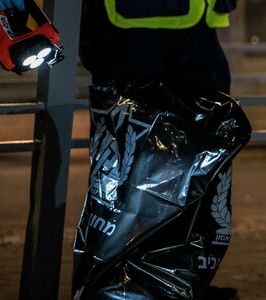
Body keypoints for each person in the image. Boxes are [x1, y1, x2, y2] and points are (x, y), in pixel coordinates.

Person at [71, 1, 243, 299]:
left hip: (142, 35)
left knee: (133, 181)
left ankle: (151, 285)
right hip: (145, 36)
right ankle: (148, 286)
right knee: (169, 177)